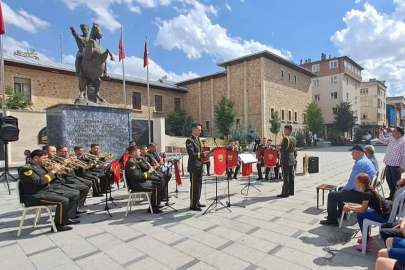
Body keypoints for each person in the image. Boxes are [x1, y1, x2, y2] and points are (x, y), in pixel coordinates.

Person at [19, 149, 80, 232]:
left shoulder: (40, 166)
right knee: (64, 201)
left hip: (45, 191)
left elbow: (50, 178)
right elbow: (40, 181)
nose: (46, 160)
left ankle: (65, 218)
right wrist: (53, 171)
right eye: (44, 158)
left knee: (74, 194)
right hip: (35, 196)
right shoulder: (26, 169)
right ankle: (59, 225)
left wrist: (59, 170)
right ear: (36, 158)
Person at [320, 144, 376, 226]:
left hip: (361, 195)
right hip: (366, 191)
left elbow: (352, 183)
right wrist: (343, 190)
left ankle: (332, 220)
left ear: (357, 152)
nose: (351, 154)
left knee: (332, 195)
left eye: (352, 152)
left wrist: (344, 191)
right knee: (340, 189)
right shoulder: (366, 161)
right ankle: (342, 213)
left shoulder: (360, 164)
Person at [342, 173, 391, 250]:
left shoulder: (367, 194)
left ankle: (366, 242)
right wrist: (350, 207)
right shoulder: (369, 190)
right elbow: (363, 207)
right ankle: (367, 236)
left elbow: (362, 210)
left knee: (360, 215)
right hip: (385, 214)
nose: (355, 183)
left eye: (356, 181)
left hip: (385, 218)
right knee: (362, 214)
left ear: (361, 184)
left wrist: (350, 209)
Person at [125, 146, 162, 213]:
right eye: (139, 151)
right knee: (156, 188)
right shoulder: (131, 163)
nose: (140, 152)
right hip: (136, 184)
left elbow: (141, 170)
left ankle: (156, 204)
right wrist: (149, 172)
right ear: (134, 152)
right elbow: (138, 176)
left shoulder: (134, 160)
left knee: (158, 183)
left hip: (138, 182)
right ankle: (152, 208)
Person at [186, 123, 209, 211]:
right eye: (199, 130)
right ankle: (193, 204)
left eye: (200, 130)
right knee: (194, 186)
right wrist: (203, 154)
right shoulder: (189, 140)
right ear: (194, 129)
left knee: (199, 184)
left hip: (200, 166)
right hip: (194, 166)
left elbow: (200, 151)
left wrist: (205, 154)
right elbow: (192, 154)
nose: (200, 131)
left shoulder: (198, 139)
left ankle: (197, 201)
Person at [379, 126, 405, 200]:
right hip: (388, 164)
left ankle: (397, 198)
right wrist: (381, 133)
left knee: (396, 183)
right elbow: (382, 140)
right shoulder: (392, 139)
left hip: (396, 166)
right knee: (389, 181)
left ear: (399, 133)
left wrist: (403, 166)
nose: (392, 133)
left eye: (394, 131)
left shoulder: (403, 142)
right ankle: (392, 196)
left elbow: (404, 156)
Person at [277, 125, 297, 198]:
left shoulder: (286, 139)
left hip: (285, 159)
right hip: (292, 158)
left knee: (286, 176)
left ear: (287, 131)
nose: (284, 131)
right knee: (291, 175)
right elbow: (294, 148)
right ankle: (291, 191)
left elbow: (283, 150)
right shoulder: (293, 138)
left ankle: (285, 192)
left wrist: (280, 146)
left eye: (285, 130)